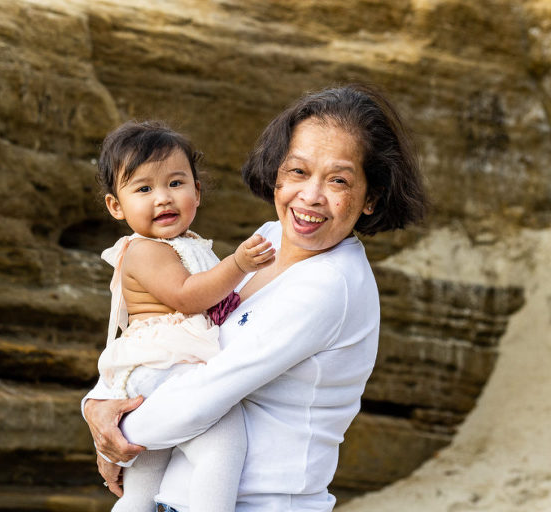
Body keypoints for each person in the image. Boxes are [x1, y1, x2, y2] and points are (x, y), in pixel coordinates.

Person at [83, 83, 429, 512]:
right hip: (173, 497)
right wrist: (97, 405)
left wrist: (117, 434)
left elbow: (205, 391)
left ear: (371, 197)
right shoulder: (267, 240)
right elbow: (160, 335)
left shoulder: (328, 285)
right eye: (298, 171)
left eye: (338, 180)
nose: (310, 196)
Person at [88, 120, 276, 512]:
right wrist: (238, 264)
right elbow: (188, 297)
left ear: (198, 191)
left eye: (175, 183)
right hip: (163, 366)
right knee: (223, 439)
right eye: (144, 188)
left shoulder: (187, 245)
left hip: (167, 368)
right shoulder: (144, 251)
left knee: (143, 482)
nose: (163, 198)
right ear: (115, 206)